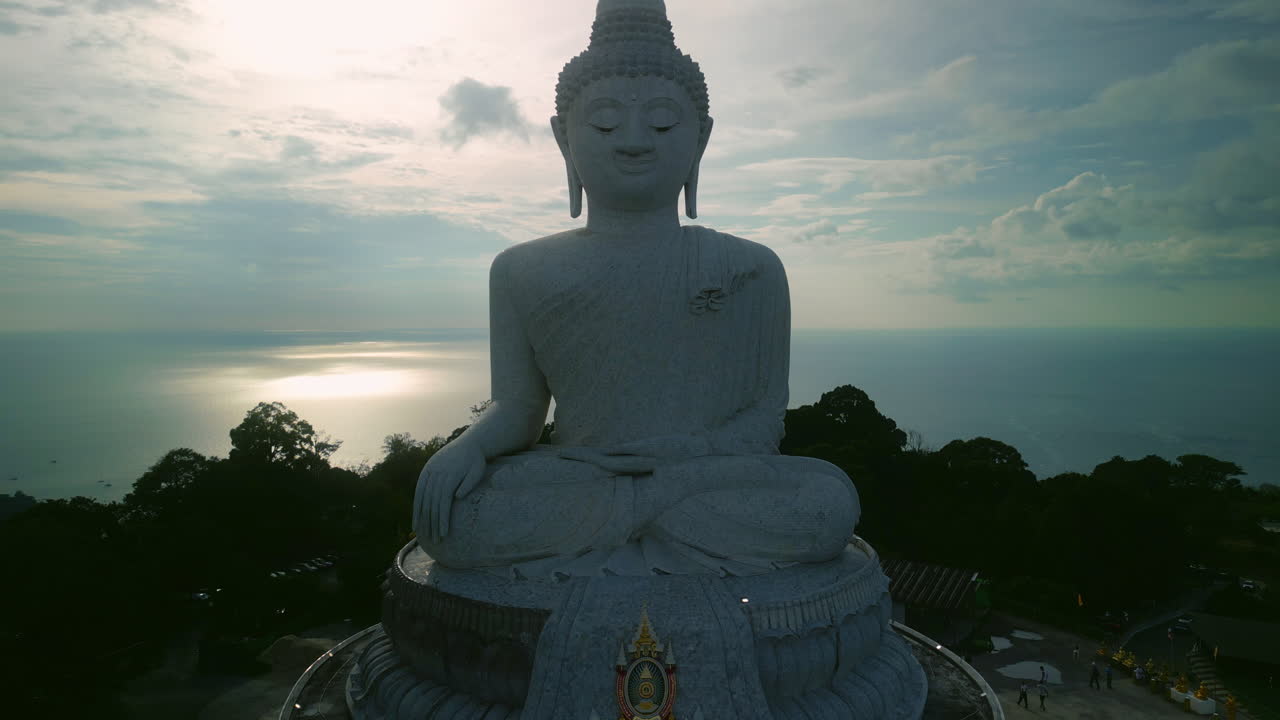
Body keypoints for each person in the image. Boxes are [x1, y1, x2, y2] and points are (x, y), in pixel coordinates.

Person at [412, 0, 859, 579]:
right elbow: (521, 409)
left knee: (827, 499)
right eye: (603, 122)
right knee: (456, 514)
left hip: (701, 475)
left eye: (664, 122)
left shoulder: (752, 267)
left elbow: (763, 418)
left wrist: (687, 458)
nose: (633, 140)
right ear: (562, 139)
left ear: (701, 140)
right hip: (584, 473)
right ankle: (653, 521)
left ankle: (633, 519)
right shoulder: (521, 270)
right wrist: (467, 447)